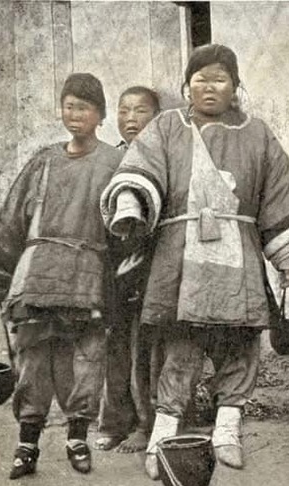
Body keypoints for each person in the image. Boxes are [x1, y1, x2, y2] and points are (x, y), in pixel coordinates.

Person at [99, 44, 289, 478]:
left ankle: (227, 428)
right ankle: (163, 432)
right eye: (200, 78)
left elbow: (280, 192)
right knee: (180, 344)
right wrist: (130, 200)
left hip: (238, 251)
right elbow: (140, 167)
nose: (209, 86)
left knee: (241, 341)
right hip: (181, 258)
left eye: (220, 78)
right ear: (187, 85)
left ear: (236, 87)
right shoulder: (167, 126)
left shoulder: (256, 133)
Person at [0, 73, 123, 478]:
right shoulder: (43, 159)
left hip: (88, 272)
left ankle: (78, 439)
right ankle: (26, 446)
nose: (74, 115)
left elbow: (127, 224)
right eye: (68, 106)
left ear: (100, 114)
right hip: (37, 273)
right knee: (33, 358)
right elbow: (13, 216)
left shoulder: (114, 162)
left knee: (86, 358)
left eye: (84, 108)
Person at [95, 86, 162, 453]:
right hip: (113, 266)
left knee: (143, 349)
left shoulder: (163, 158)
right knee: (112, 346)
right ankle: (113, 420)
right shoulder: (110, 159)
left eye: (141, 111)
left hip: (149, 265)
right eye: (124, 111)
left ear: (157, 117)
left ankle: (146, 423)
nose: (131, 119)